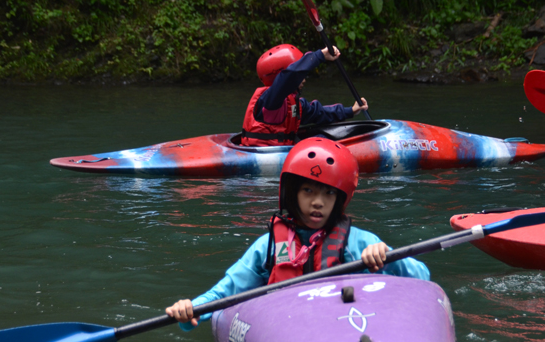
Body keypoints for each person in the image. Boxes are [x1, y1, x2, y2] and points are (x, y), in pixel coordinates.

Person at [166, 137, 430, 328]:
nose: (318, 202)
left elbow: (422, 277)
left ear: (339, 199)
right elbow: (225, 293)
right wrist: (191, 310)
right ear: (292, 193)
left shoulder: (360, 242)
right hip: (288, 332)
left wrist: (390, 258)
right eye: (308, 191)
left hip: (344, 326)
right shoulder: (267, 247)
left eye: (328, 193)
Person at [241, 44, 369, 147]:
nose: (304, 80)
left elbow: (319, 113)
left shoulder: (294, 105)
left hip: (285, 149)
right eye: (301, 76)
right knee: (321, 142)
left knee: (322, 137)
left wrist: (351, 111)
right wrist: (319, 56)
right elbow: (289, 77)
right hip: (264, 155)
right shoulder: (270, 100)